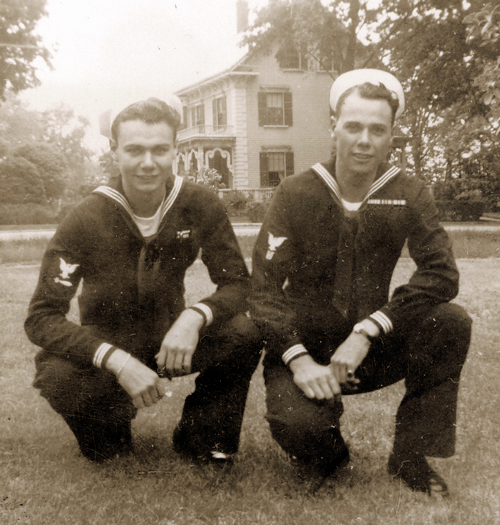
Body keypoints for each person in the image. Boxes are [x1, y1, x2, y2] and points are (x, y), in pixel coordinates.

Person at [250, 69, 471, 496]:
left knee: (451, 321)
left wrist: (370, 328)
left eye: (377, 129)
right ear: (334, 127)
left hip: (369, 348)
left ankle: (410, 455)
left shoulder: (408, 190)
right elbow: (262, 287)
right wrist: (297, 359)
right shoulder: (297, 191)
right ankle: (326, 445)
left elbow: (441, 274)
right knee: (301, 431)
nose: (364, 140)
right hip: (306, 351)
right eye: (353, 126)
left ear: (391, 136)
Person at [25, 96, 261, 465]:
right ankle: (112, 425)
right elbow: (41, 317)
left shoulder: (198, 203)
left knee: (243, 333)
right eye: (135, 150)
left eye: (159, 150)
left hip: (172, 338)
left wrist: (195, 316)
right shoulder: (86, 216)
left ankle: (202, 437)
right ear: (114, 150)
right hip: (109, 345)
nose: (148, 163)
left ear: (175, 150)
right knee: (58, 375)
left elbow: (239, 284)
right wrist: (116, 360)